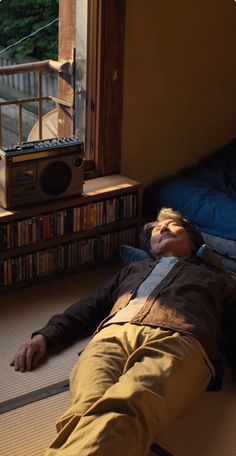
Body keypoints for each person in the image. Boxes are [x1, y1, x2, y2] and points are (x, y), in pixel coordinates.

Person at [10, 208, 236, 456]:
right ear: (150, 247)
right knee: (85, 409)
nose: (162, 229)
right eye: (156, 230)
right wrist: (45, 336)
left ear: (193, 241)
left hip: (181, 338)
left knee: (127, 408)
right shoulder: (133, 269)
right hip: (111, 335)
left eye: (172, 225)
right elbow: (92, 304)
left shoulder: (217, 277)